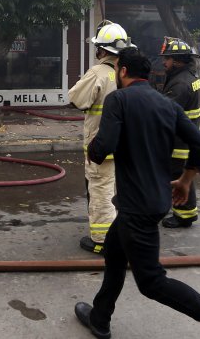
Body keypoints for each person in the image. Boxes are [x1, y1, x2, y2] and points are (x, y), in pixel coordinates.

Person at [74, 47, 200, 339]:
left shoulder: (118, 99)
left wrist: (93, 153)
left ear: (122, 72)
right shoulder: (165, 104)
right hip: (153, 202)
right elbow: (199, 144)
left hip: (137, 208)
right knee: (115, 254)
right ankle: (100, 317)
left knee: (152, 282)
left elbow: (103, 145)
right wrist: (185, 180)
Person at [67, 20, 134, 255]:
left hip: (101, 145)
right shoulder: (128, 74)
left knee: (100, 191)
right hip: (125, 145)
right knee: (117, 190)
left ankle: (103, 240)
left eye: (98, 47)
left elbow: (76, 98)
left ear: (103, 50)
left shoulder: (99, 73)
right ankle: (120, 232)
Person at [159, 36, 200, 229]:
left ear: (177, 60)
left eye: (167, 59)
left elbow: (166, 113)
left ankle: (184, 216)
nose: (164, 62)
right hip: (188, 135)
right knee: (181, 175)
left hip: (179, 141)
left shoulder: (179, 84)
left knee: (177, 176)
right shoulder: (191, 78)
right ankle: (186, 211)